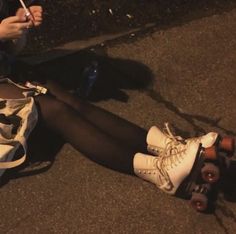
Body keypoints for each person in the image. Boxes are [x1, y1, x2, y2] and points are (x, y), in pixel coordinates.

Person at [0, 0, 227, 208]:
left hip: (7, 70)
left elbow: (12, 50)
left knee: (69, 101)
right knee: (55, 110)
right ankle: (161, 172)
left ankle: (169, 148)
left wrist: (20, 25)